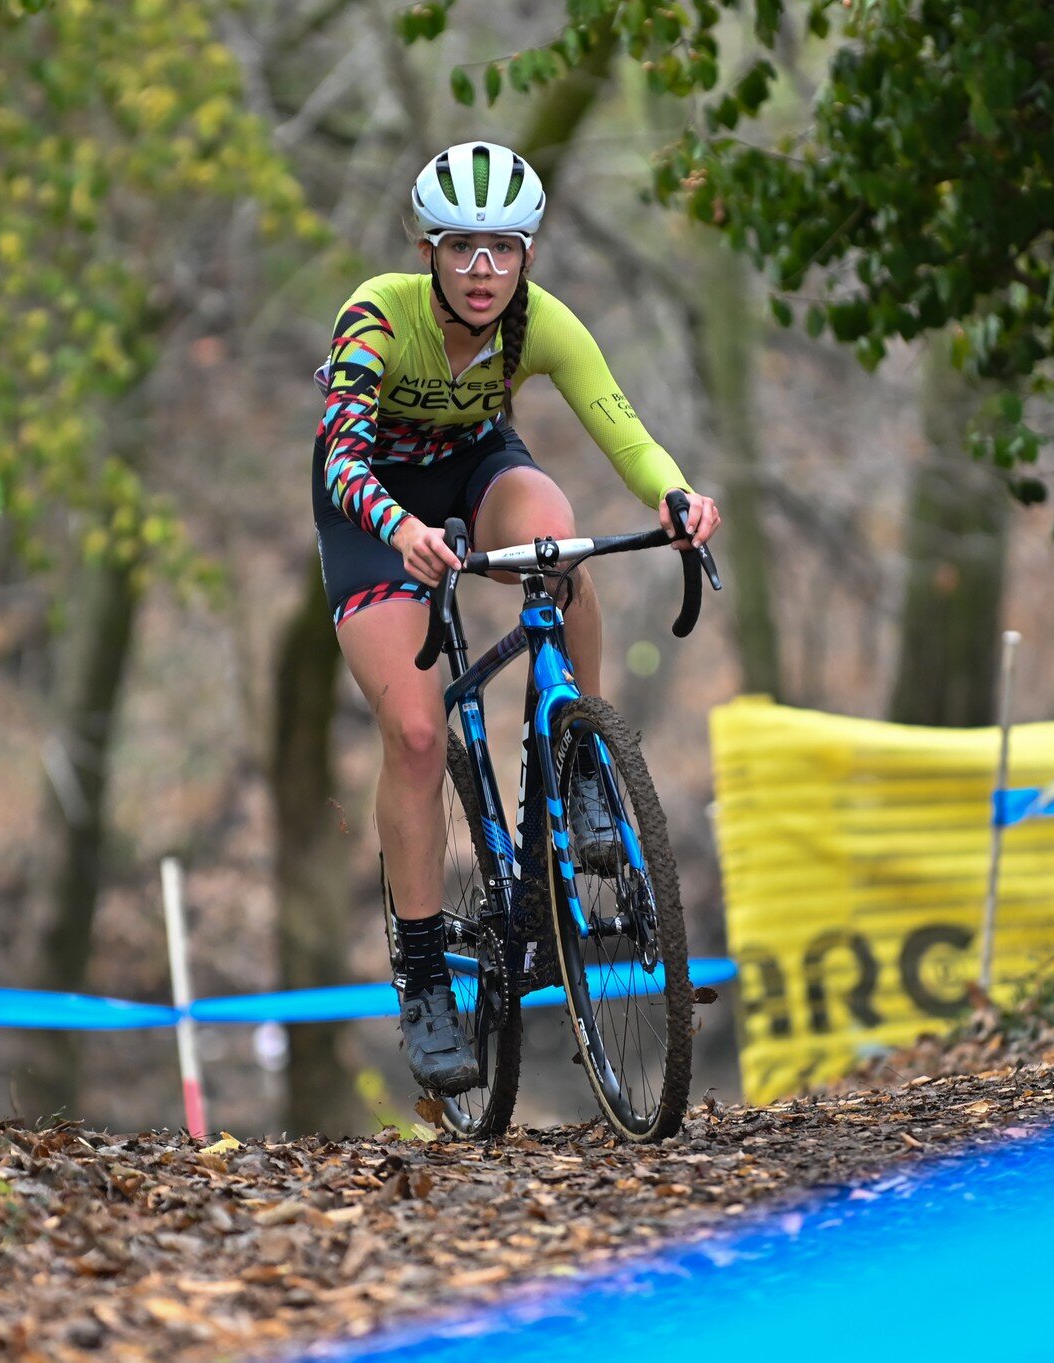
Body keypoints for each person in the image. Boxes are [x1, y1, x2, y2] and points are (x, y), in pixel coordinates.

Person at [311, 140, 721, 1095]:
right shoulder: (377, 316)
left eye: (503, 248)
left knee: (559, 540)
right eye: (463, 248)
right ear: (429, 253)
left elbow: (621, 426)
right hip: (370, 506)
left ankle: (580, 762)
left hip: (475, 469)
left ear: (528, 254)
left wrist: (676, 495)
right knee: (416, 733)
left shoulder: (543, 322)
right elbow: (340, 457)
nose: (484, 269)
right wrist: (402, 528)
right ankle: (422, 978)